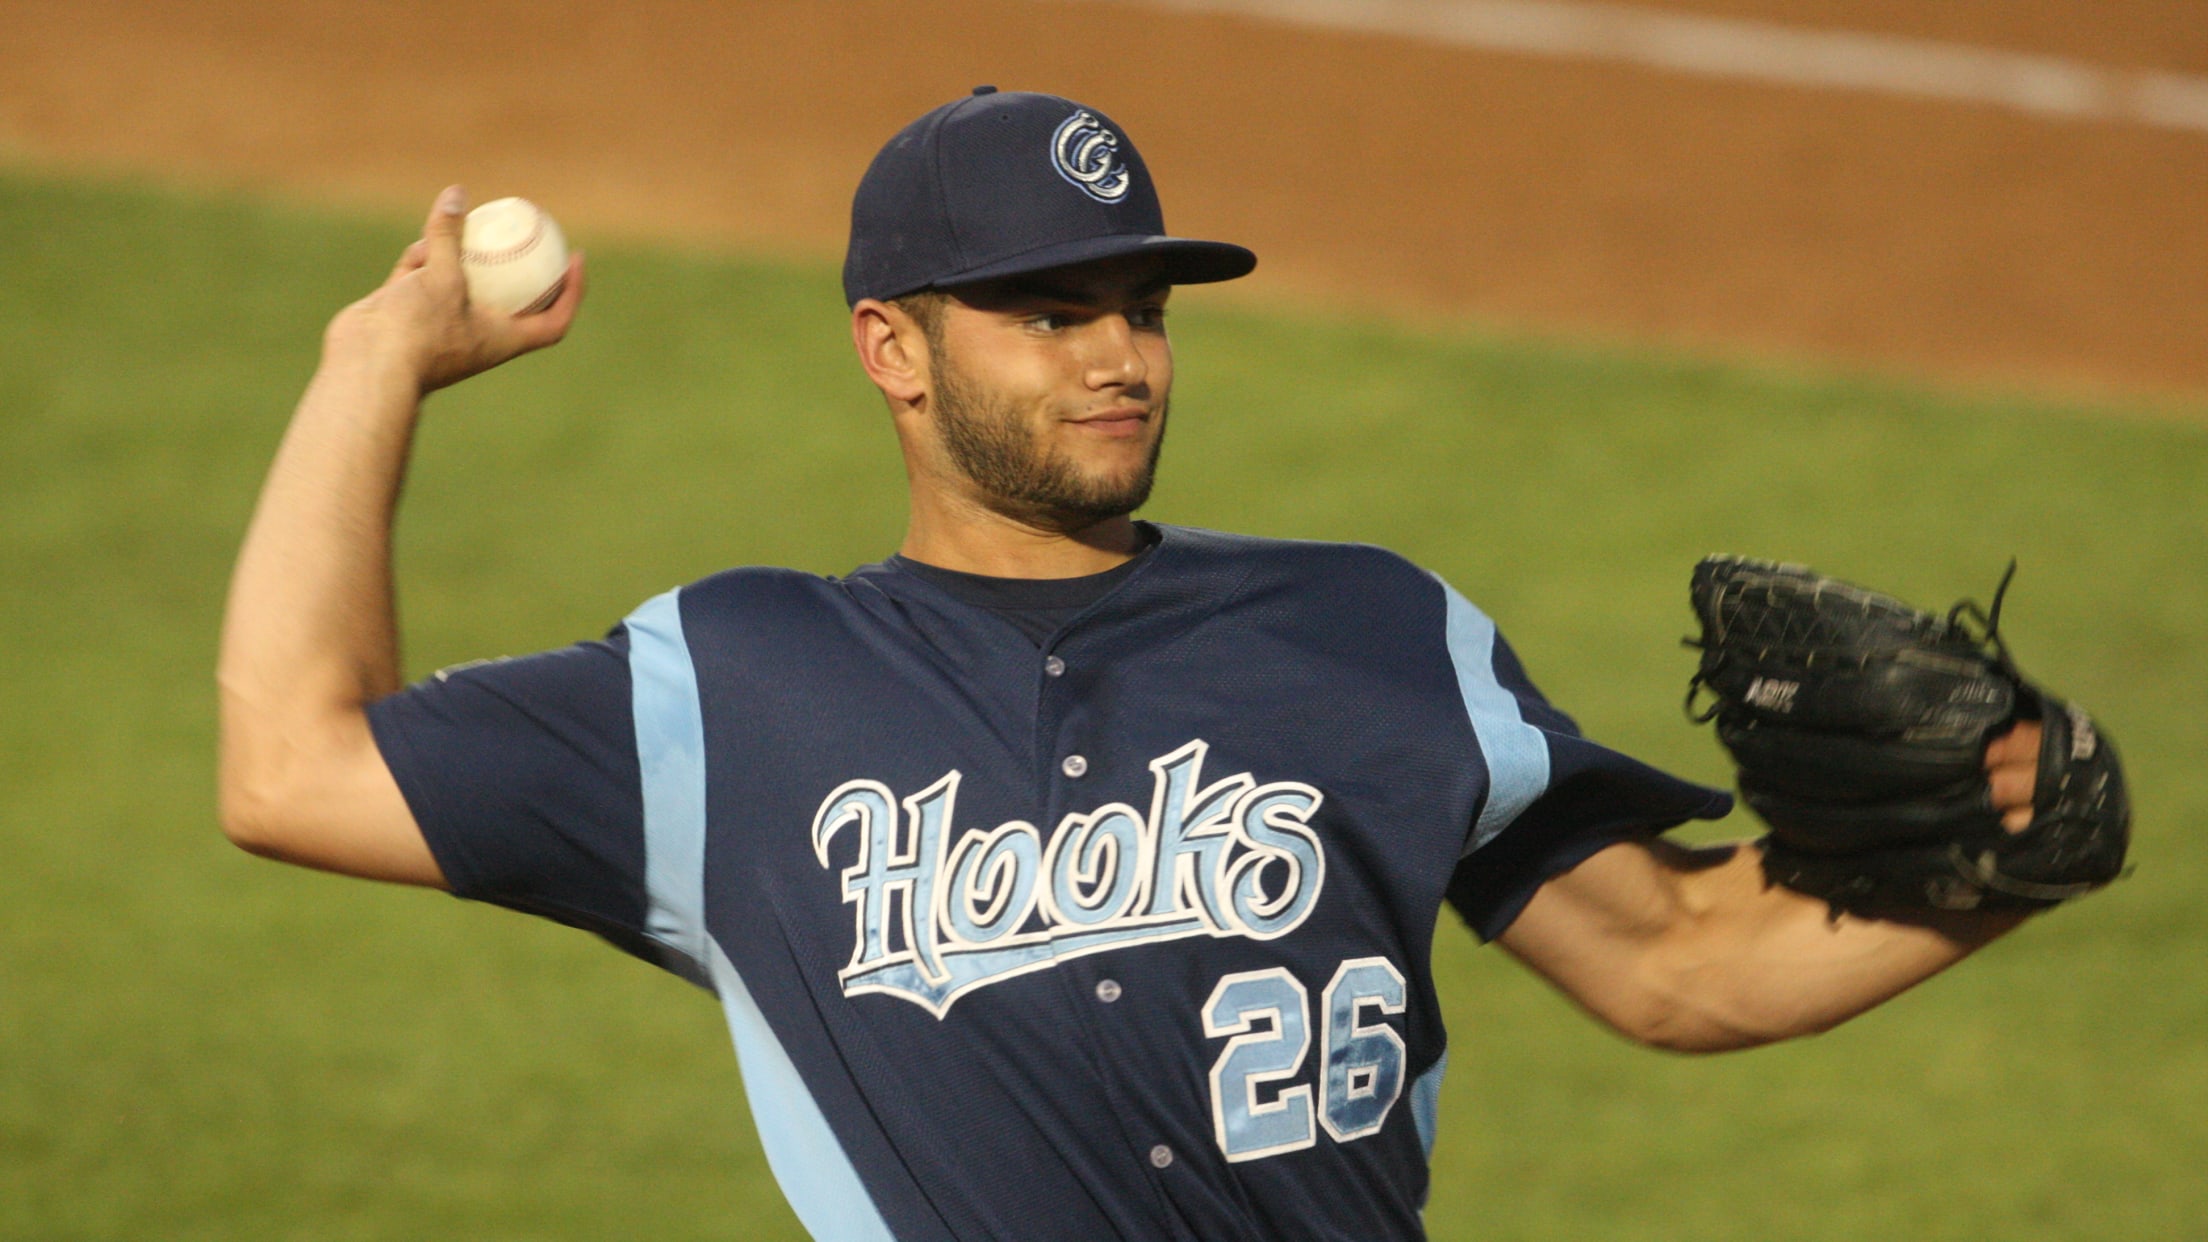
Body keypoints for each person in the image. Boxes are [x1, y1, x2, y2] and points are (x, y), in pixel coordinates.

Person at [218, 88, 2045, 1240]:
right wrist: (376, 359)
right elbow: (288, 766)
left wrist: (2017, 863)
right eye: (1048, 310)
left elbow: (1684, 964)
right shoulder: (733, 686)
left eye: (1145, 310)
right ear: (893, 348)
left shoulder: (1371, 630)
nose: (1121, 357)